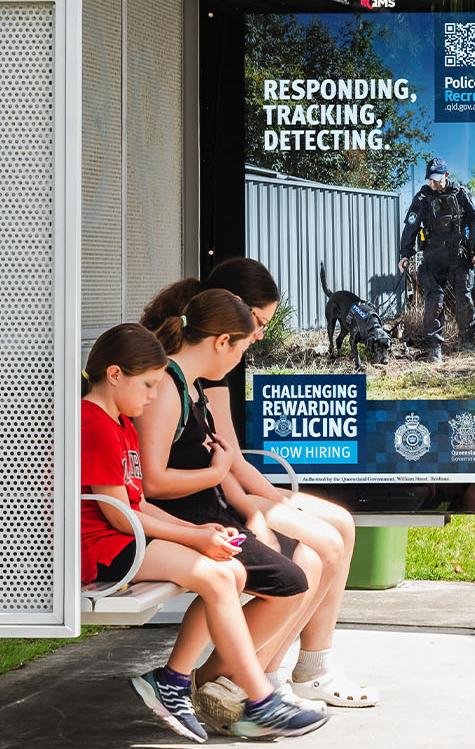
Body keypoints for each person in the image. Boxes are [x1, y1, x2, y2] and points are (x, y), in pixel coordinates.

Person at [132, 286, 331, 740]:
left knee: (305, 565)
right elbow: (153, 481)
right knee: (291, 580)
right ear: (222, 342)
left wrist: (245, 505)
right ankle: (219, 686)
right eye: (241, 347)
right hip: (186, 524)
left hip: (212, 517)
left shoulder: (190, 387)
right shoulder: (166, 388)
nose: (240, 359)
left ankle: (218, 684)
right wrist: (217, 473)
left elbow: (213, 463)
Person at [185, 257, 380, 707]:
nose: (260, 335)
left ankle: (314, 666)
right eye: (256, 322)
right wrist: (268, 507)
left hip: (228, 487)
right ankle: (262, 676)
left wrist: (274, 500)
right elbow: (224, 461)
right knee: (321, 546)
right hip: (212, 498)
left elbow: (229, 451)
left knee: (342, 525)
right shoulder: (206, 360)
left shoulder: (216, 360)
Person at [78, 324, 282, 744]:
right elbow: (118, 517)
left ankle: (172, 680)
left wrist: (195, 529)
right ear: (114, 374)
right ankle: (259, 701)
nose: (153, 396)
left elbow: (135, 504)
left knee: (232, 573)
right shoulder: (93, 423)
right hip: (99, 549)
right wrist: (193, 540)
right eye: (149, 384)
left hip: (124, 537)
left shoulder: (122, 423)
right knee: (216, 575)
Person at [399, 157, 475, 363]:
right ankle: (434, 348)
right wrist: (405, 253)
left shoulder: (461, 194)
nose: (433, 183)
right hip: (433, 255)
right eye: (430, 179)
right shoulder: (423, 197)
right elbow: (411, 225)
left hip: (458, 254)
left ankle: (468, 342)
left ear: (446, 176)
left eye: (437, 179)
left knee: (464, 296)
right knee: (434, 299)